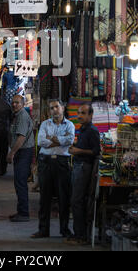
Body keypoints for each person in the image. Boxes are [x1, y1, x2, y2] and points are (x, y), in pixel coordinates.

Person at [31, 99, 75, 239]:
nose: (54, 110)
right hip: (46, 163)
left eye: (56, 107)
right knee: (45, 198)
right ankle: (43, 230)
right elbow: (41, 142)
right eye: (51, 108)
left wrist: (53, 139)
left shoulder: (70, 125)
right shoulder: (45, 124)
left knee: (64, 198)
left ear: (62, 107)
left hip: (62, 163)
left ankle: (64, 229)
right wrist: (60, 140)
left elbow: (70, 140)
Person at [67, 103, 101, 245]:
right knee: (77, 201)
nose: (79, 116)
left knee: (77, 201)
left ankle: (81, 236)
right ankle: (78, 234)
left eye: (83, 113)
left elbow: (95, 151)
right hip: (79, 166)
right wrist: (76, 147)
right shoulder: (83, 129)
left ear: (90, 115)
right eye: (78, 113)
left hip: (84, 167)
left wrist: (78, 151)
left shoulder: (92, 131)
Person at [7, 95, 35, 223]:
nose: (14, 105)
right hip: (21, 152)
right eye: (13, 102)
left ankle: (24, 213)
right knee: (19, 183)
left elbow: (21, 138)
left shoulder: (22, 116)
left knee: (21, 183)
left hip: (23, 152)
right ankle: (21, 211)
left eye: (17, 103)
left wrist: (12, 153)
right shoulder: (18, 115)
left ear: (23, 104)